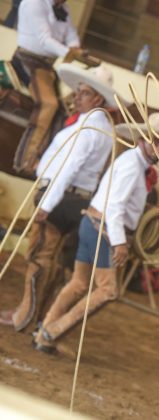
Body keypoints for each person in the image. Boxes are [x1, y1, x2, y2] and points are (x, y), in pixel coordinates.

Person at [32, 116, 159, 353]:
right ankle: (51, 331)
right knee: (108, 290)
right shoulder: (132, 166)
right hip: (103, 230)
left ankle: (45, 331)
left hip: (91, 223)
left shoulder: (131, 163)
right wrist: (120, 243)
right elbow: (115, 207)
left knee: (79, 283)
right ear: (141, 140)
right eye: (154, 142)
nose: (158, 148)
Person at [0, 63, 118, 332]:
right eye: (78, 91)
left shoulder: (88, 129)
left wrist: (47, 203)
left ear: (97, 98)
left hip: (61, 196)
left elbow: (68, 169)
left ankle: (24, 315)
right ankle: (38, 314)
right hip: (77, 199)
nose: (76, 96)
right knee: (53, 260)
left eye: (84, 92)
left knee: (40, 254)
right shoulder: (101, 128)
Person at [12, 0, 87, 175]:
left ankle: (47, 158)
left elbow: (72, 36)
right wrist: (71, 54)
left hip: (48, 66)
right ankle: (26, 160)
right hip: (28, 60)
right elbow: (45, 40)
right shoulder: (34, 3)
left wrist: (76, 48)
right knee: (49, 103)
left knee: (67, 108)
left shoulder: (64, 9)